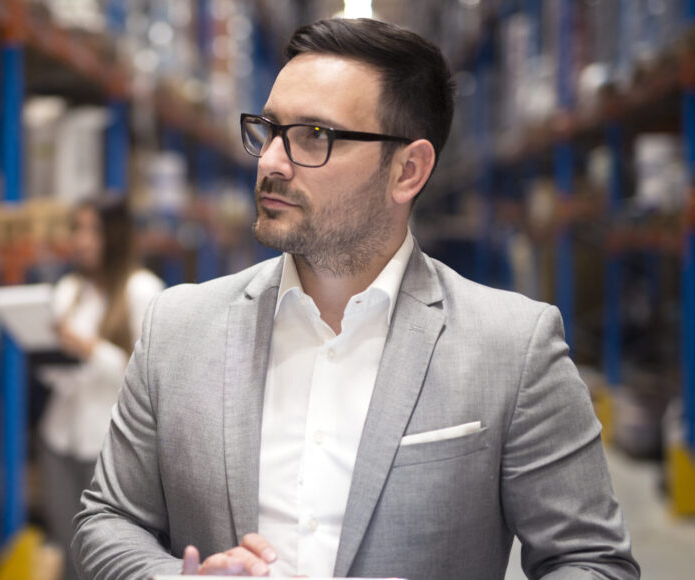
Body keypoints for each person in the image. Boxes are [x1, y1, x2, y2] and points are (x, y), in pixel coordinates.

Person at [72, 18, 639, 580]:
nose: (270, 161)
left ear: (407, 171)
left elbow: (592, 561)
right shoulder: (177, 328)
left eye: (314, 136)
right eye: (269, 130)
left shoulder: (512, 348)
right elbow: (109, 519)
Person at [36, 196, 164, 580]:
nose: (81, 240)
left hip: (112, 447)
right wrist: (45, 351)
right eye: (77, 229)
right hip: (60, 438)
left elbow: (149, 378)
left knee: (107, 556)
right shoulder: (69, 289)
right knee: (68, 548)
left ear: (116, 235)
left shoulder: (143, 290)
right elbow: (52, 376)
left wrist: (88, 349)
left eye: (92, 230)